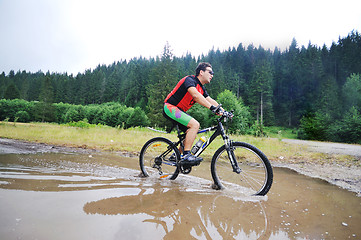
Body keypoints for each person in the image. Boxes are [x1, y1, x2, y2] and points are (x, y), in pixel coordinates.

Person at [163, 62, 222, 165]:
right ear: (201, 72)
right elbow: (195, 96)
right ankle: (186, 155)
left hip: (179, 111)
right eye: (210, 72)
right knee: (194, 125)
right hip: (170, 108)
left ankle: (175, 155)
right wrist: (212, 108)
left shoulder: (201, 87)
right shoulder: (189, 80)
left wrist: (223, 111)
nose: (212, 75)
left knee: (192, 132)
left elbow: (209, 99)